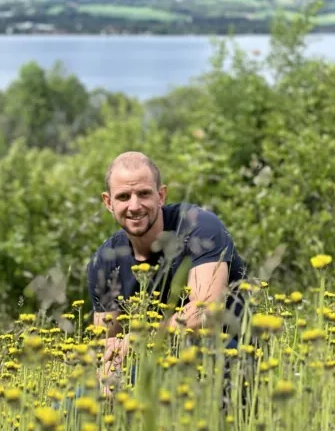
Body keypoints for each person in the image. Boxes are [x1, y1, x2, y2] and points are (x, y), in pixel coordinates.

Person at [86, 151, 250, 402]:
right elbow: (106, 341)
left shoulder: (199, 228)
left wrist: (142, 338)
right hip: (155, 363)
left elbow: (206, 310)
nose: (134, 205)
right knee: (74, 403)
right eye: (123, 196)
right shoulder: (105, 261)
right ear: (108, 202)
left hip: (228, 352)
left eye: (143, 194)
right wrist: (108, 369)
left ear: (161, 195)